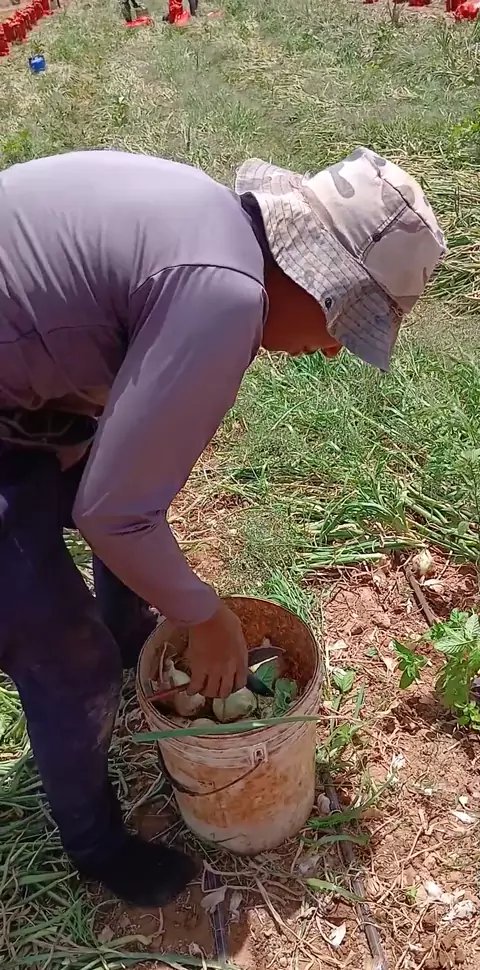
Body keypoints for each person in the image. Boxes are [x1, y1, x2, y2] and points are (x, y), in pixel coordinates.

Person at [0, 148, 445, 907]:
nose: (331, 347)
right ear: (311, 275)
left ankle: (128, 633)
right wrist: (204, 617)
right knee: (65, 653)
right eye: (344, 320)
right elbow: (114, 514)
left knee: (111, 480)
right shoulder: (226, 296)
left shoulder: (208, 223)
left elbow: (122, 477)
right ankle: (96, 846)